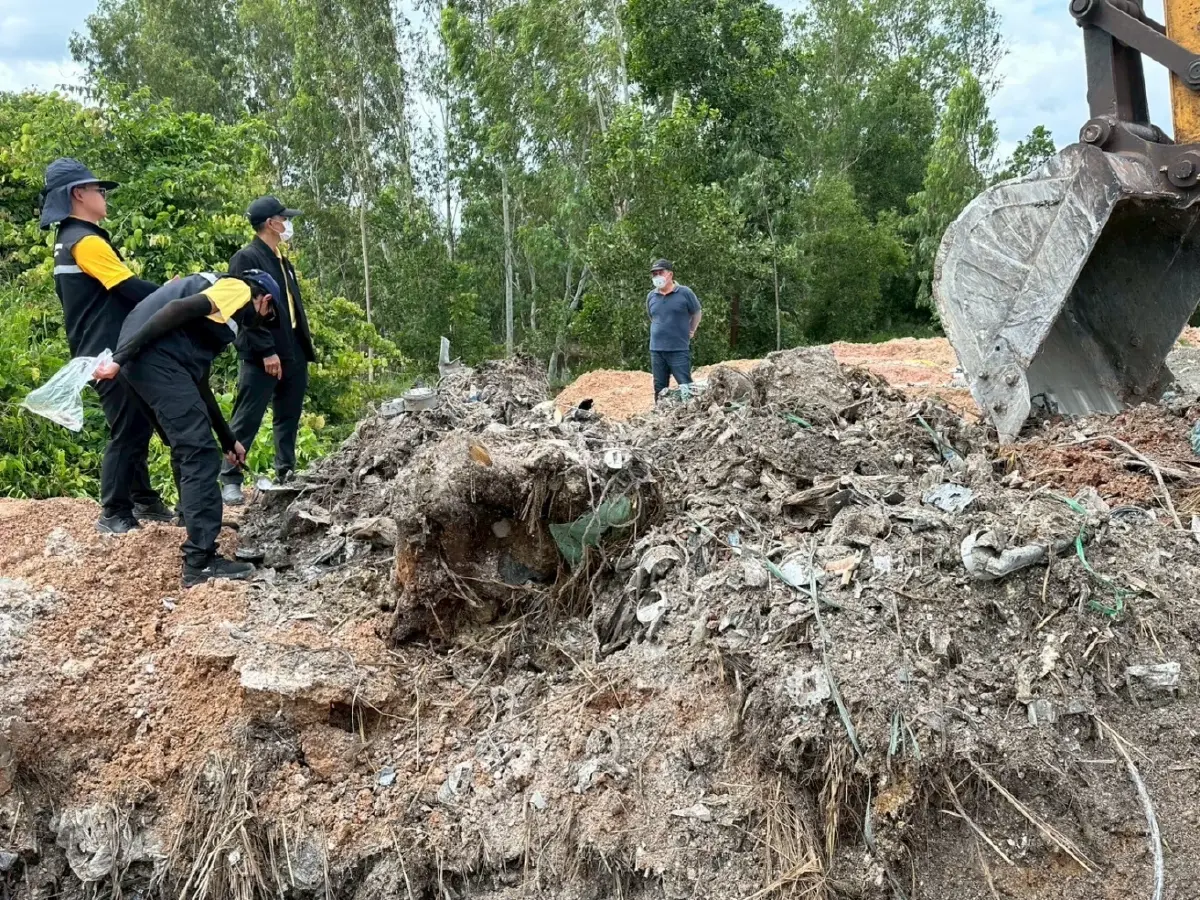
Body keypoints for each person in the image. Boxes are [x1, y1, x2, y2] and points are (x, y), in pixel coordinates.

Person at [93, 269, 281, 587]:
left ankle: (189, 517)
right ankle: (200, 561)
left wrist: (228, 439)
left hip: (144, 360)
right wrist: (119, 360)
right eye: (269, 314)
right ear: (264, 299)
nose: (262, 320)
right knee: (198, 451)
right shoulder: (237, 289)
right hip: (148, 359)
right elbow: (176, 310)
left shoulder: (210, 314)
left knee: (188, 445)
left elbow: (199, 383)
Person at [40, 158, 176, 533]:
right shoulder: (84, 241)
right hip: (106, 349)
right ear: (78, 194)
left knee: (134, 421)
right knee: (130, 427)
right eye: (98, 189)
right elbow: (127, 288)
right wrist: (172, 295)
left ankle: (144, 499)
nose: (104, 196)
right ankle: (114, 512)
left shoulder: (70, 240)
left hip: (98, 346)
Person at [220, 196, 316, 505]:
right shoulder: (246, 259)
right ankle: (230, 479)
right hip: (263, 353)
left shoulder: (280, 259)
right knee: (247, 417)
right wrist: (265, 351)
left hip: (293, 348)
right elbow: (245, 310)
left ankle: (285, 472)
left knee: (288, 415)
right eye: (283, 219)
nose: (287, 224)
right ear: (271, 224)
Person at [646, 259, 702, 402]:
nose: (657, 276)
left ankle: (690, 412)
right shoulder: (651, 296)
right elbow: (652, 316)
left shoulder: (685, 293)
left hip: (678, 348)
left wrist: (691, 330)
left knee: (685, 385)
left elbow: (696, 312)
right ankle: (659, 415)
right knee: (660, 388)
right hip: (657, 349)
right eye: (654, 274)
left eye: (660, 273)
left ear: (670, 274)